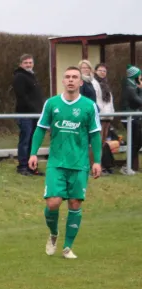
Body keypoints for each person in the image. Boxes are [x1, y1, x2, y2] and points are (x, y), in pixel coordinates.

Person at [29, 66, 102, 260]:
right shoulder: (52, 104)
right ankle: (53, 234)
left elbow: (95, 135)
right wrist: (33, 154)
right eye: (67, 77)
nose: (70, 80)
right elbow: (40, 129)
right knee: (53, 202)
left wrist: (98, 161)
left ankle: (68, 247)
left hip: (79, 163)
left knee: (75, 203)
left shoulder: (89, 106)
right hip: (57, 162)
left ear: (80, 82)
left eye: (74, 77)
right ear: (63, 81)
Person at [13, 54, 45, 176]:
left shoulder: (32, 76)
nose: (28, 65)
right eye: (26, 63)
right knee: (25, 140)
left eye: (30, 62)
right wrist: (33, 108)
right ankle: (22, 166)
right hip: (25, 113)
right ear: (21, 64)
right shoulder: (20, 77)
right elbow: (22, 96)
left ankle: (32, 166)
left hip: (35, 114)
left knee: (33, 140)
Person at [92, 63, 115, 174]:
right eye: (100, 70)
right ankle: (96, 166)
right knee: (97, 142)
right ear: (95, 71)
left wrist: (111, 113)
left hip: (107, 116)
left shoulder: (106, 84)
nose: (102, 72)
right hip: (100, 115)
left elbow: (110, 101)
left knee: (102, 142)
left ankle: (101, 165)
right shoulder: (94, 83)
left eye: (104, 71)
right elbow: (97, 99)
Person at [120, 64, 142, 174]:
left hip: (134, 117)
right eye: (139, 75)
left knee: (136, 142)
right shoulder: (129, 87)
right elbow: (139, 102)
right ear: (135, 76)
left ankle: (128, 165)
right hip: (130, 118)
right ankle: (126, 166)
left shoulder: (132, 86)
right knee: (135, 142)